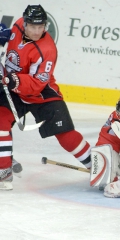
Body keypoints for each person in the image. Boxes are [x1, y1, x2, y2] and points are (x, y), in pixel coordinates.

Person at [0, 5, 91, 190]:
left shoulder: (47, 49)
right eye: (32, 26)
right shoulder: (17, 26)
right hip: (13, 89)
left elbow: (36, 84)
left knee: (65, 134)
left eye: (40, 26)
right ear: (24, 23)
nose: (36, 31)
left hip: (41, 93)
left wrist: (11, 78)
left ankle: (97, 165)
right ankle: (4, 169)